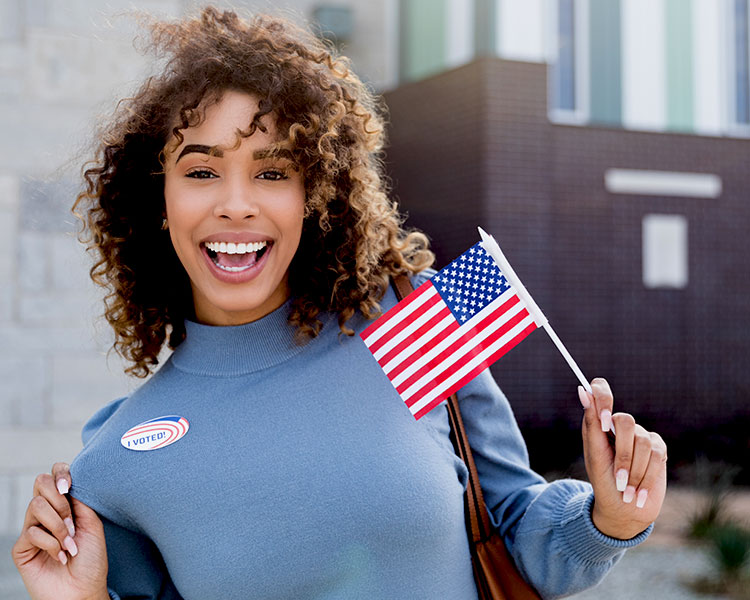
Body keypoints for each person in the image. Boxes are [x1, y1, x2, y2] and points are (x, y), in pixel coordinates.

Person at [11, 7, 668, 600]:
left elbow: (517, 533)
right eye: (201, 170)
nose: (236, 202)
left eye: (272, 172)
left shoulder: (411, 325)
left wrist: (609, 521)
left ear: (315, 195)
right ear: (158, 200)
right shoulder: (119, 459)